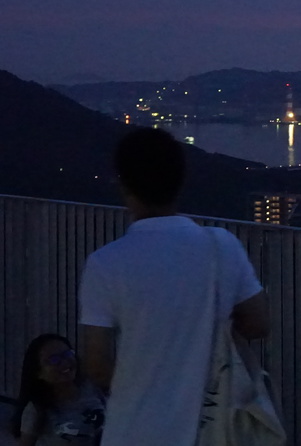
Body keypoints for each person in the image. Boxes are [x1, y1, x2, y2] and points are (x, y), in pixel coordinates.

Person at [78, 127, 270, 446]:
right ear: (179, 182)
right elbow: (259, 323)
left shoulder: (105, 263)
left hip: (134, 429)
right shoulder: (221, 246)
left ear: (123, 185)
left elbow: (96, 365)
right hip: (214, 426)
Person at [9, 333, 105, 446]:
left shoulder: (92, 387)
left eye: (67, 354)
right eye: (54, 360)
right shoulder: (36, 409)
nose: (64, 362)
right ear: (39, 373)